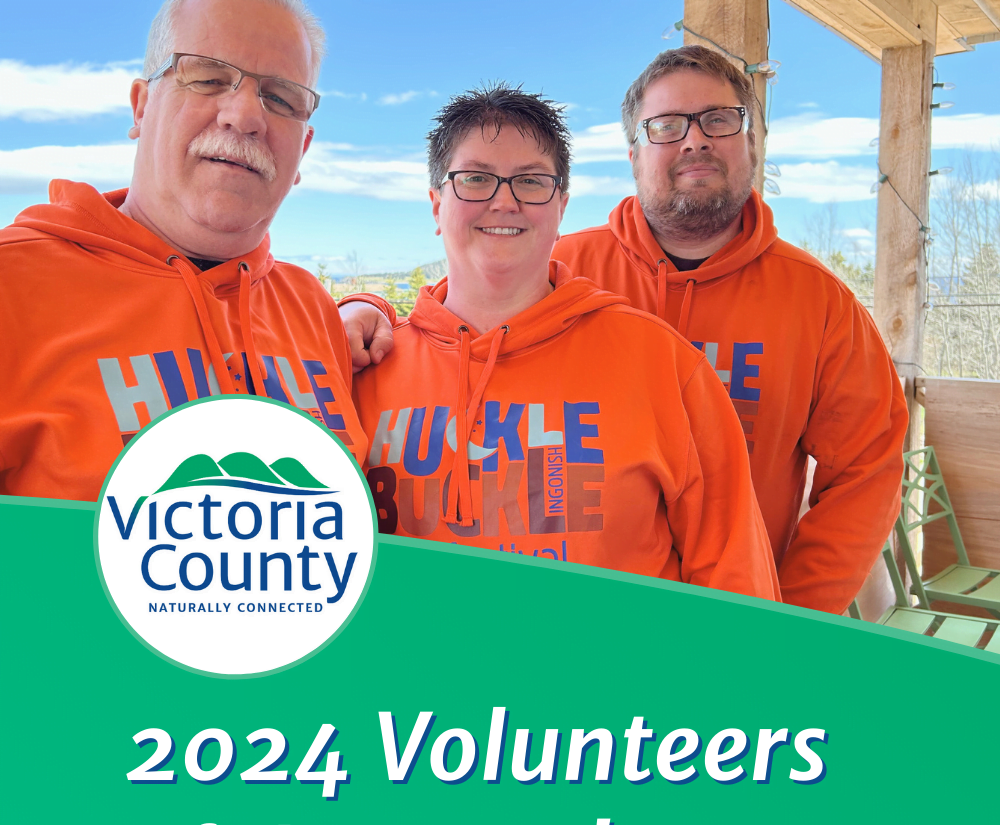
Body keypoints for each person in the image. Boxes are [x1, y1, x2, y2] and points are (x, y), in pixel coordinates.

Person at [352, 86, 779, 599]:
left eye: (531, 181)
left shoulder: (661, 364)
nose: (504, 200)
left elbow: (735, 574)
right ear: (436, 205)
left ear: (561, 206)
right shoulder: (366, 367)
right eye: (475, 179)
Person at [550, 46, 908, 616]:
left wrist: (791, 617)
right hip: (579, 617)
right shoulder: (558, 272)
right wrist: (363, 311)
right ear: (634, 156)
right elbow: (449, 330)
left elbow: (868, 470)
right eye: (666, 126)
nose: (695, 140)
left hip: (737, 627)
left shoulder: (818, 302)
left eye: (719, 119)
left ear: (753, 146)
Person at [0, 0, 391, 502]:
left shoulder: (310, 308)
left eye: (280, 98)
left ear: (304, 150)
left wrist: (371, 305)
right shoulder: (14, 286)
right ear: (141, 106)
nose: (246, 115)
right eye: (207, 78)